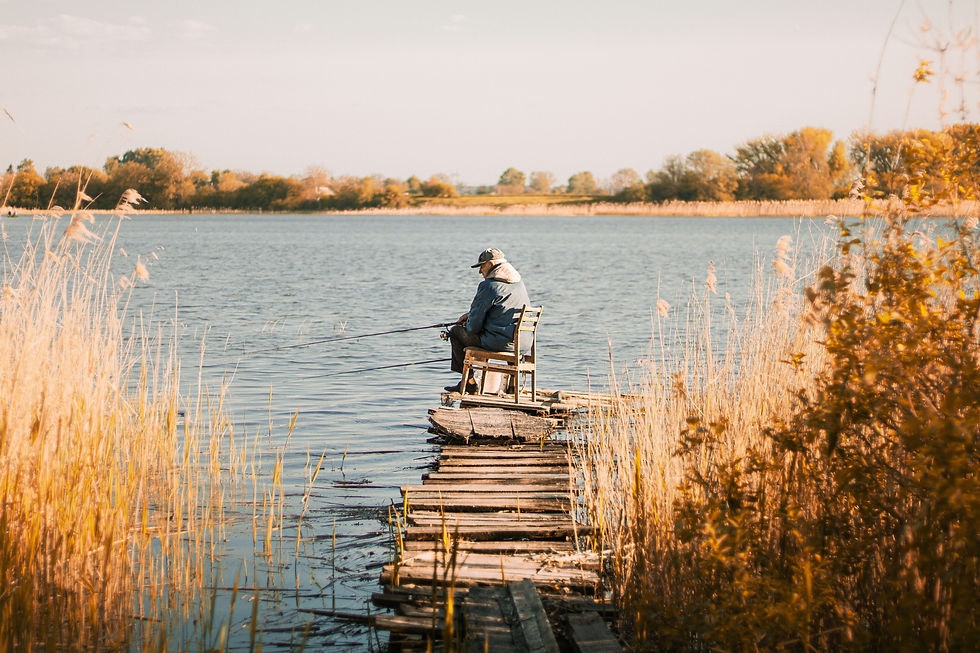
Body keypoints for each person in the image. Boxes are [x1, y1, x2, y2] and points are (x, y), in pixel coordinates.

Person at [444, 248, 531, 393]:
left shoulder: (488, 286)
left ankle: (470, 383)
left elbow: (473, 328)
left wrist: (467, 321)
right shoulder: (518, 283)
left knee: (455, 332)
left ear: (490, 264)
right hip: (524, 342)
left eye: (481, 266)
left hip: (500, 343)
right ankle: (513, 386)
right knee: (506, 332)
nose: (480, 272)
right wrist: (470, 314)